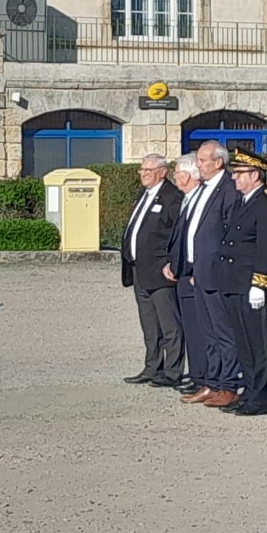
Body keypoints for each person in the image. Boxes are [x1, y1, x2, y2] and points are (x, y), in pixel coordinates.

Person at [217, 149, 267, 416]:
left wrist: (261, 282)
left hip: (252, 283)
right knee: (243, 341)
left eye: (240, 174)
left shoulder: (266, 203)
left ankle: (261, 397)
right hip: (234, 281)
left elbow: (266, 246)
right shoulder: (242, 202)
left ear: (255, 175)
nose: (234, 179)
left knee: (259, 342)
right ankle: (250, 391)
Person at [181, 141, 243, 408]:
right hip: (200, 271)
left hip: (217, 272)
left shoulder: (228, 188)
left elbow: (230, 233)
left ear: (218, 162)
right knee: (208, 332)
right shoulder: (204, 188)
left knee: (223, 332)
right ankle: (212, 382)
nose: (199, 165)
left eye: (203, 160)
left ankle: (228, 385)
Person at [121, 154, 185, 386]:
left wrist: (171, 262)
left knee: (169, 324)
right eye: (141, 170)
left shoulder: (172, 197)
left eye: (148, 170)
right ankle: (152, 367)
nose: (143, 174)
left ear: (162, 171)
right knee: (149, 324)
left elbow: (177, 234)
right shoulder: (143, 195)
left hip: (160, 270)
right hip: (139, 269)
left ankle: (173, 371)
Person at [164, 153, 205, 394]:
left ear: (187, 176)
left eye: (177, 173)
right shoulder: (186, 199)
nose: (175, 177)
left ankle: (204, 377)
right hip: (183, 272)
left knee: (198, 329)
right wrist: (173, 263)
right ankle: (198, 375)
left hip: (195, 273)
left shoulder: (197, 199)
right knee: (190, 328)